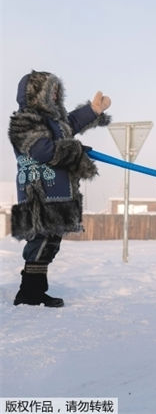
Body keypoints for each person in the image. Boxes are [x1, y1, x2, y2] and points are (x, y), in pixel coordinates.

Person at [9, 70, 111, 307]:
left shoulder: (54, 121)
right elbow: (42, 151)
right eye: (50, 91)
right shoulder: (25, 121)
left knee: (51, 242)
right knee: (40, 242)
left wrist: (93, 111)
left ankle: (35, 290)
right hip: (39, 193)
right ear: (36, 94)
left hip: (58, 193)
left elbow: (71, 123)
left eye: (57, 91)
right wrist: (75, 150)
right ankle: (29, 293)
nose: (55, 96)